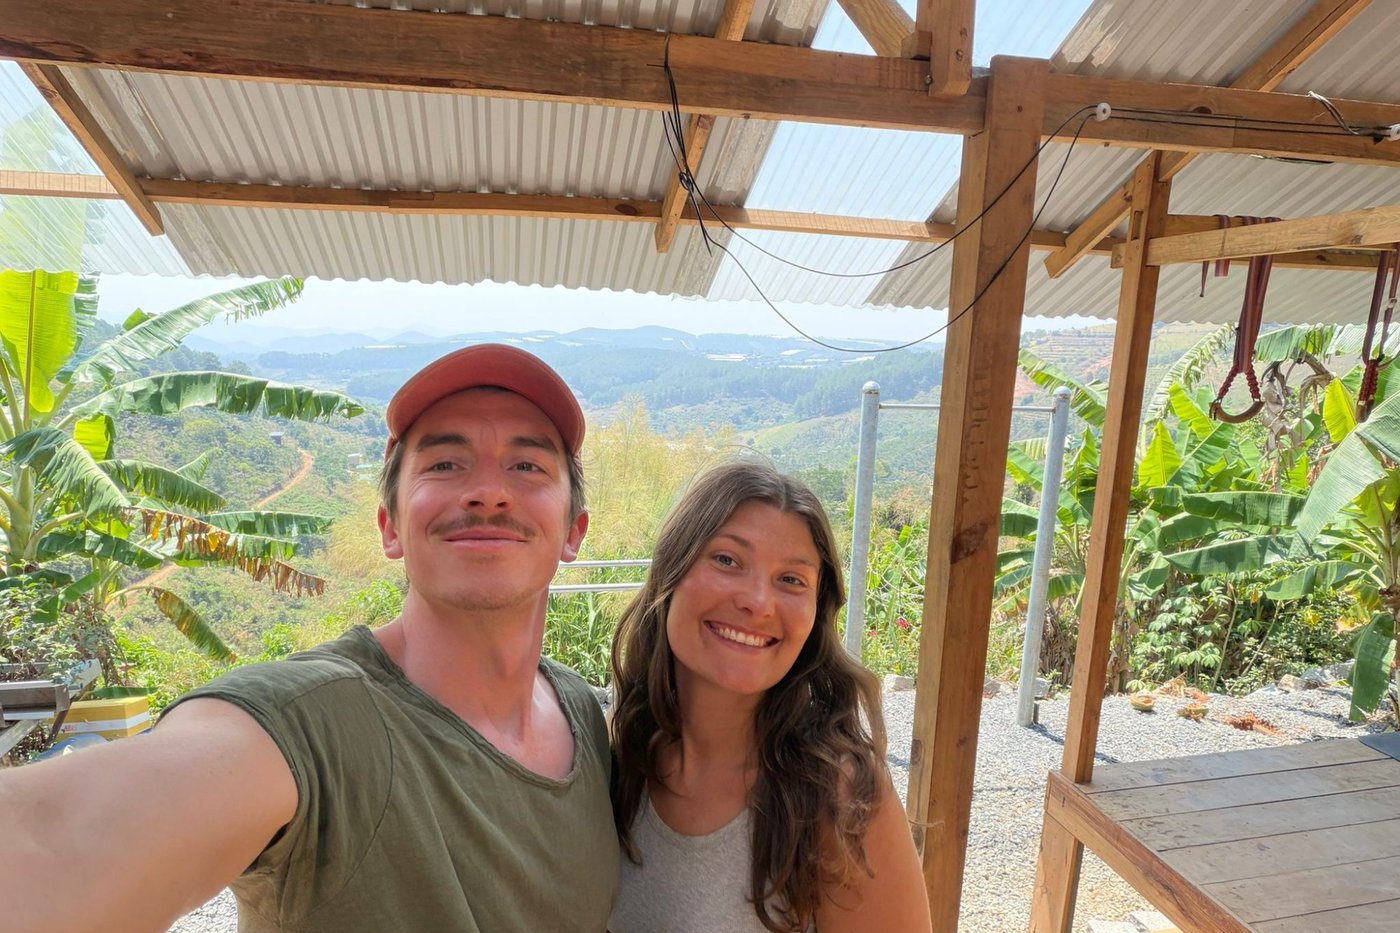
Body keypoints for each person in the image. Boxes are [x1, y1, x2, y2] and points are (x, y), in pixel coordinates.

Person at [0, 344, 619, 933]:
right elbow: (58, 839)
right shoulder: (312, 725)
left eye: (527, 465)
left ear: (574, 531)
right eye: (444, 464)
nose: (489, 491)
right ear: (390, 526)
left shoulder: (580, 710)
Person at [608, 461, 930, 933]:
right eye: (727, 560)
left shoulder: (840, 797)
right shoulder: (618, 753)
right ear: (669, 576)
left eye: (791, 579)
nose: (758, 602)